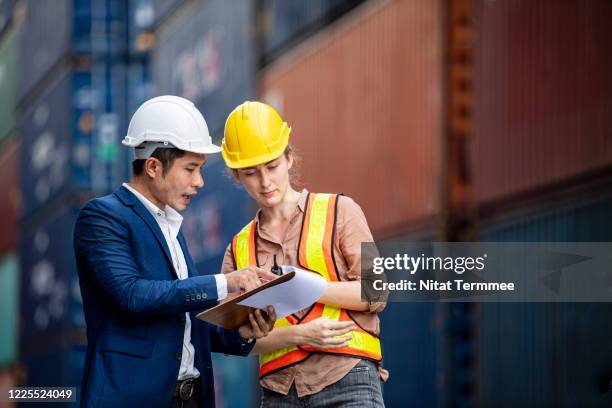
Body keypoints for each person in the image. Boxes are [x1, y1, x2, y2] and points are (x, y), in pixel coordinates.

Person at [73, 96, 277, 408]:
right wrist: (228, 282)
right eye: (191, 169)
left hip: (191, 399)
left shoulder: (172, 229)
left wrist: (240, 332)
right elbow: (132, 296)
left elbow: (183, 325)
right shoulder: (102, 217)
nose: (199, 182)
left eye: (201, 169)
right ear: (153, 166)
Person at [219, 101, 387, 407]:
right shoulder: (238, 249)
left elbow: (377, 291)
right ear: (237, 176)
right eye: (252, 173)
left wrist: (310, 287)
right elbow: (239, 339)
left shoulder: (340, 211)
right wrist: (301, 335)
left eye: (272, 166)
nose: (266, 181)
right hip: (279, 393)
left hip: (348, 379)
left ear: (289, 158)